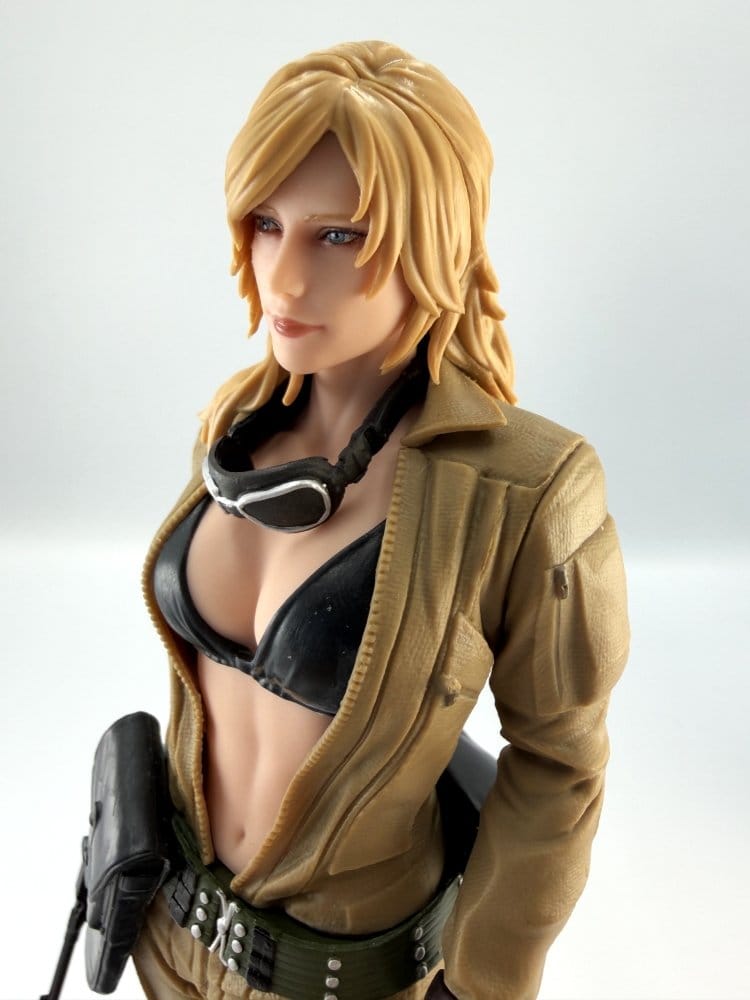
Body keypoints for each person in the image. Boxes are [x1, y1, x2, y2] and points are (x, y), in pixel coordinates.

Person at [131, 40, 629, 1000]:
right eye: (266, 224)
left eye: (339, 235)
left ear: (434, 241)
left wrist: (482, 979)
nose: (282, 279)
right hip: (170, 937)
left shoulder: (527, 488)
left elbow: (561, 767)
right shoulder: (234, 425)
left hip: (347, 975)